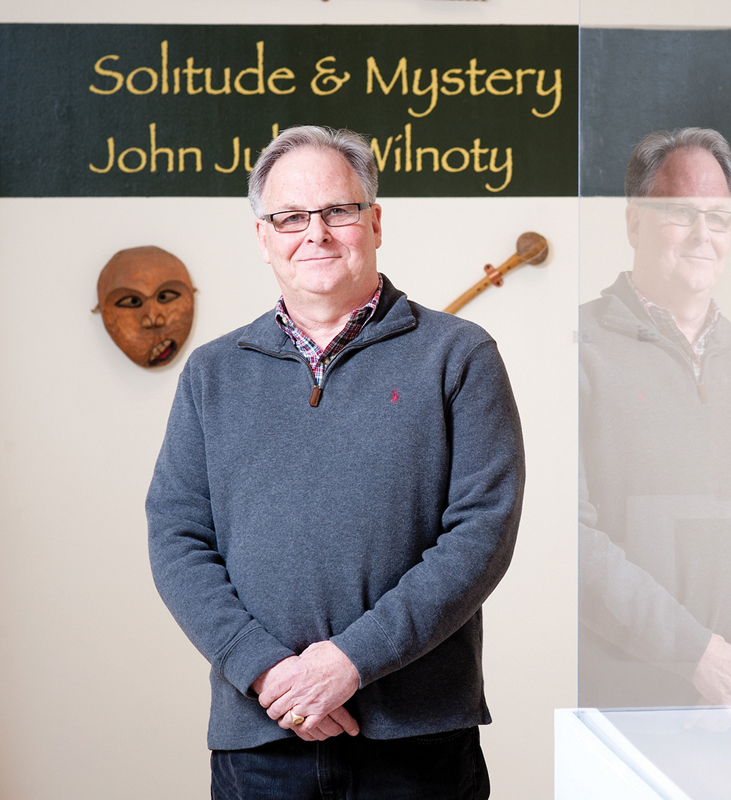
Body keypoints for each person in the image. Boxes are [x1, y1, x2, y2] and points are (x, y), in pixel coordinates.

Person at [147, 125, 524, 799]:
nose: (314, 233)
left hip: (418, 739)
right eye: (290, 217)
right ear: (264, 239)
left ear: (374, 221)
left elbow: (481, 535)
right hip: (262, 733)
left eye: (337, 211)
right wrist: (265, 670)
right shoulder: (212, 374)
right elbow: (177, 539)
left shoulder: (459, 356)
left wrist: (351, 663)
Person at [578, 128, 731, 713]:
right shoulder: (578, 350)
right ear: (634, 222)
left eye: (718, 218)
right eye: (679, 214)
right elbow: (572, 537)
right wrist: (696, 656)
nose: (701, 236)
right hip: (625, 696)